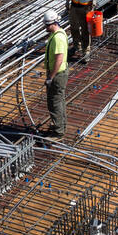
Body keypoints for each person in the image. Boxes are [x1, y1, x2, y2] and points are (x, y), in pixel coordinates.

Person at [43, 9, 68, 138]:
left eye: (47, 25)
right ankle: (60, 125)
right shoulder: (58, 33)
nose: (45, 28)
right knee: (59, 101)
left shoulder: (58, 38)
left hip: (57, 75)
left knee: (54, 103)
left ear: (53, 23)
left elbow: (59, 59)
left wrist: (50, 77)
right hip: (59, 74)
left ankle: (58, 132)